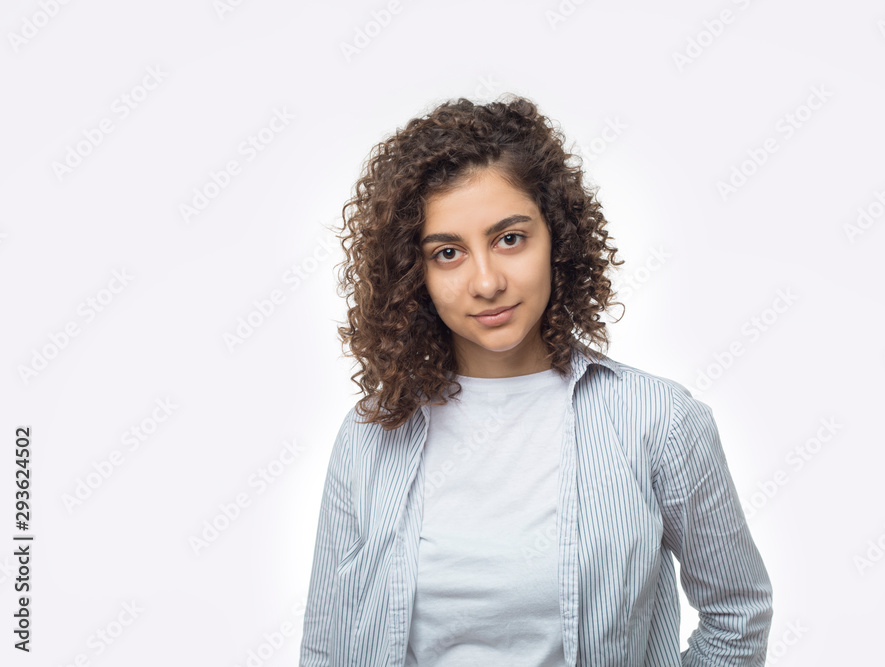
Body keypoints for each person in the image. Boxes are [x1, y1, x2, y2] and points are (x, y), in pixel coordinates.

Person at [299, 95, 773, 666]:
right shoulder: (371, 435)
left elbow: (736, 615)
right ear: (413, 274)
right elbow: (327, 649)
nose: (487, 281)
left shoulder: (658, 421)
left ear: (558, 240)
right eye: (448, 252)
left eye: (509, 238)